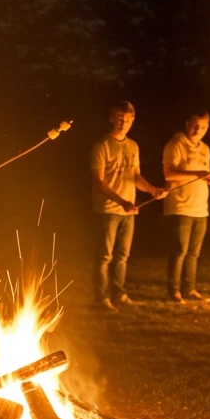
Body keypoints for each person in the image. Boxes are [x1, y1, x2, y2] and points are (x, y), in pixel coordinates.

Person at [91, 101, 167, 311]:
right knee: (105, 256)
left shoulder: (133, 146)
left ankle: (119, 293)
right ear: (111, 119)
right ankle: (101, 298)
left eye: (127, 120)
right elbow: (98, 183)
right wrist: (121, 201)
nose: (123, 123)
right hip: (108, 209)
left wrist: (152, 190)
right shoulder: (102, 146)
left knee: (122, 256)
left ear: (132, 120)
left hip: (129, 210)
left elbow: (135, 176)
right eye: (119, 119)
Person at [162, 112, 210, 302]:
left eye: (202, 127)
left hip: (201, 208)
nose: (198, 130)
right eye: (195, 125)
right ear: (187, 124)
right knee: (180, 251)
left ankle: (190, 288)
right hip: (180, 206)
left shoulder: (205, 149)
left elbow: (204, 174)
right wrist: (197, 174)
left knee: (194, 253)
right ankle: (174, 290)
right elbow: (169, 174)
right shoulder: (175, 145)